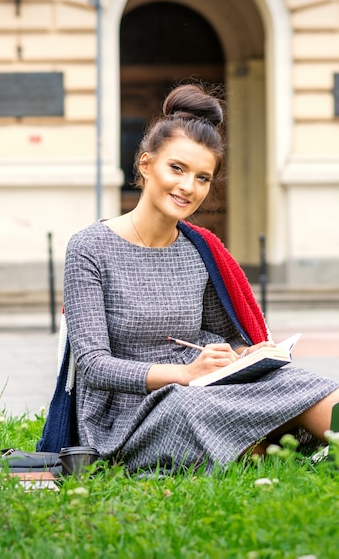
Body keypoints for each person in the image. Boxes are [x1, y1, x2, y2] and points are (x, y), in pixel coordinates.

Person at [46, 83, 339, 474]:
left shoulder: (199, 249)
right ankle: (262, 450)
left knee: (298, 381)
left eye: (203, 177)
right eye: (177, 168)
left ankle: (262, 448)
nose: (188, 187)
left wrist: (242, 355)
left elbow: (227, 336)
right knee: (191, 407)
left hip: (203, 386)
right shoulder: (89, 248)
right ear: (146, 164)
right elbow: (95, 366)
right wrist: (184, 375)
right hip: (127, 413)